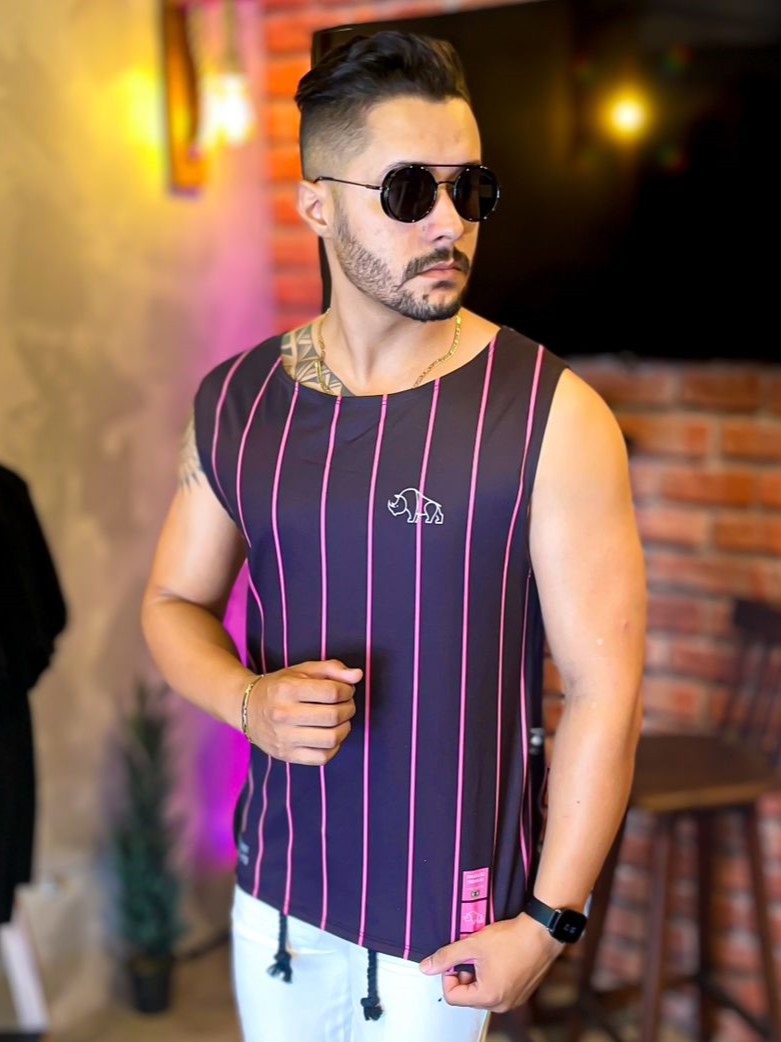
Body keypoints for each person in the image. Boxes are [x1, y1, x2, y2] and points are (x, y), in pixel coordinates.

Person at [141, 30, 645, 1042]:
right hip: (277, 893)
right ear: (317, 206)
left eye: (471, 190)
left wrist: (548, 921)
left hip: (453, 920)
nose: (449, 221)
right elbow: (172, 604)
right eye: (409, 191)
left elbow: (605, 691)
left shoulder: (550, 414)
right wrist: (246, 701)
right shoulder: (238, 401)